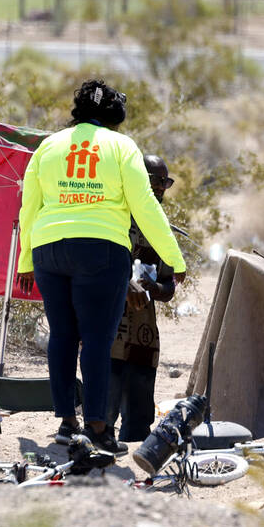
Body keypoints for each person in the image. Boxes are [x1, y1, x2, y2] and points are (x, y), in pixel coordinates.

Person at [16, 79, 186, 454]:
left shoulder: (48, 147)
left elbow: (29, 207)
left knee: (61, 336)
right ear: (114, 117)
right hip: (101, 251)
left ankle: (65, 423)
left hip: (48, 250)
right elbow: (145, 206)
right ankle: (97, 429)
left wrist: (26, 260)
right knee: (95, 340)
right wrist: (173, 257)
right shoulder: (122, 147)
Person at [106, 154, 183, 443]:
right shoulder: (112, 217)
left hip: (143, 339)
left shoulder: (160, 228)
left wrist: (153, 287)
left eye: (167, 181)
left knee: (138, 429)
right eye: (157, 180)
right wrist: (124, 285)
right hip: (109, 334)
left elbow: (169, 286)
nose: (163, 187)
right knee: (102, 417)